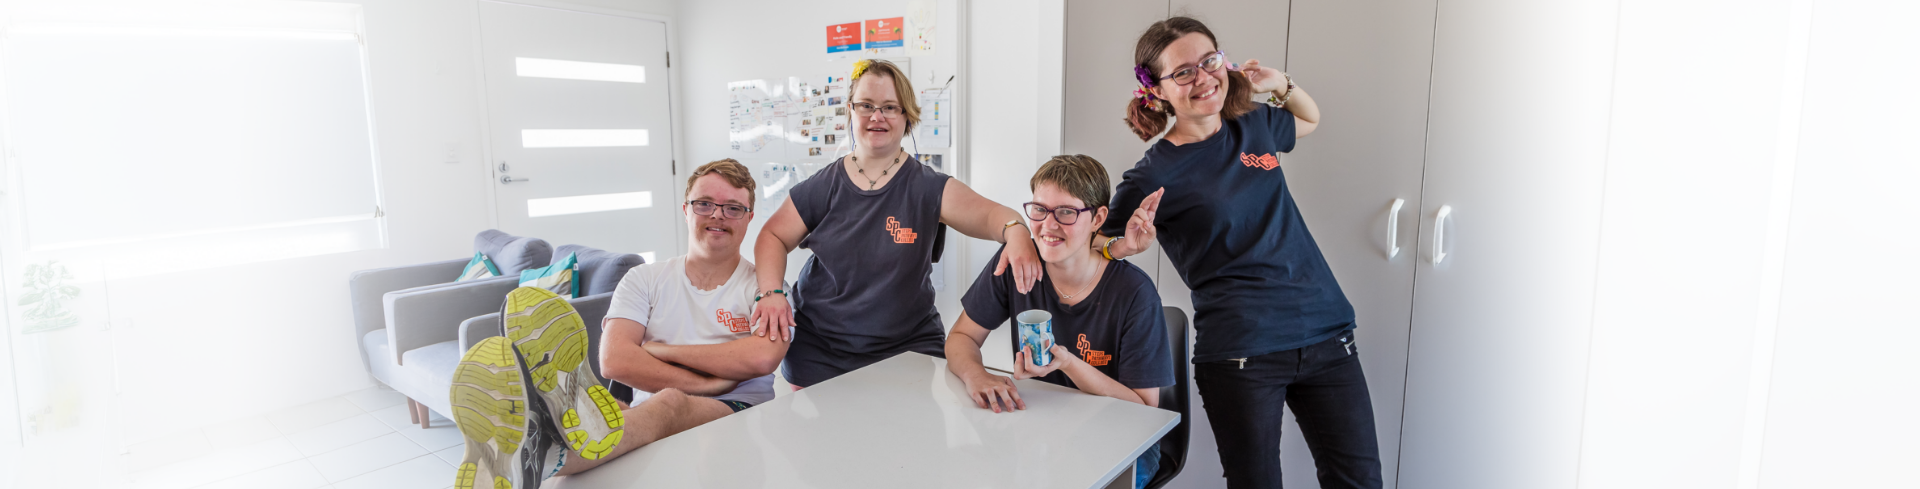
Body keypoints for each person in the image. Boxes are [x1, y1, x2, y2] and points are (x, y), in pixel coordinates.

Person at [1097, 16, 1380, 489]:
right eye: (1183, 72)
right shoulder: (1152, 174)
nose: (1204, 78)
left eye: (1210, 61)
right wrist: (1120, 246)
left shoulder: (1254, 126)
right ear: (1158, 91)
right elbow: (1091, 237)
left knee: (1359, 480)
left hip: (1327, 332)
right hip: (1242, 353)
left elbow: (1308, 119)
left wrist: (1282, 84)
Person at [449, 159, 785, 488]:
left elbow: (760, 358)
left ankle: (538, 458)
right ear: (685, 210)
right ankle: (530, 429)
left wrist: (660, 352)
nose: (717, 215)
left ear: (749, 218)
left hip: (741, 410)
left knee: (669, 403)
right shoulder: (644, 278)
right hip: (650, 408)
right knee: (613, 415)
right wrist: (707, 382)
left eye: (732, 208)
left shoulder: (767, 290)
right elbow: (615, 361)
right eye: (704, 204)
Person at [751, 59, 1044, 388]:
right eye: (866, 106)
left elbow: (994, 217)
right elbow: (772, 235)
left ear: (906, 116)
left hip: (906, 347)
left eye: (890, 107)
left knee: (910, 437)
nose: (877, 116)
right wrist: (772, 292)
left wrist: (1017, 230)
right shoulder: (824, 185)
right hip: (821, 349)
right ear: (851, 110)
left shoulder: (928, 187)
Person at [945, 155, 1174, 489]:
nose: (1048, 226)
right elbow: (961, 336)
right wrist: (976, 376)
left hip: (1120, 441)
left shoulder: (1135, 292)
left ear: (1098, 218)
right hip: (1039, 429)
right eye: (1039, 209)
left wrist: (1067, 363)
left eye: (1066, 212)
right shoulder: (1018, 263)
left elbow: (1142, 409)